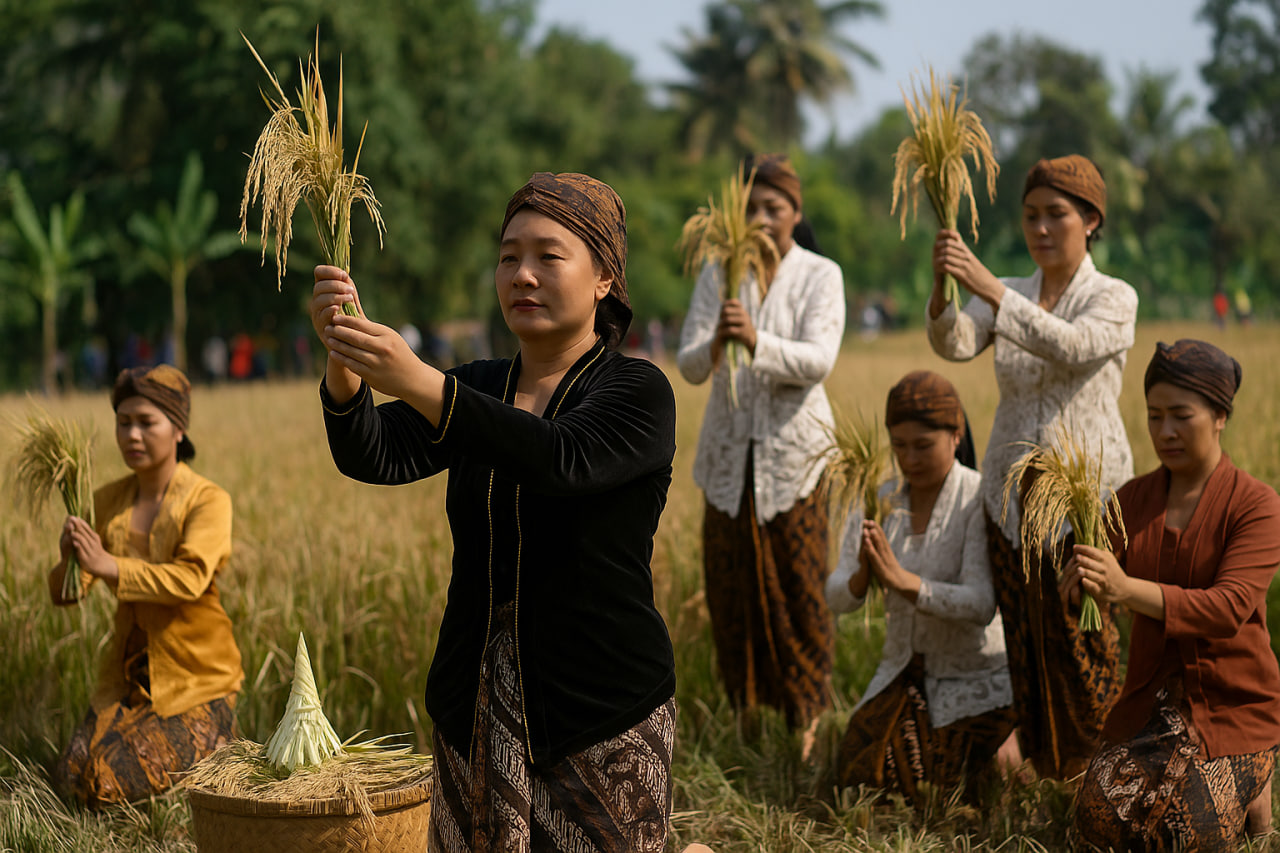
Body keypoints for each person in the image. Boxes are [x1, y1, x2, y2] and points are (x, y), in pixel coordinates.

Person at [311, 172, 678, 852]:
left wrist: (420, 379)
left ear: (604, 278)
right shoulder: (481, 385)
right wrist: (346, 359)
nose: (522, 274)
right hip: (473, 703)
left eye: (547, 255)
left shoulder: (638, 392)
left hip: (597, 710)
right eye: (509, 256)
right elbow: (375, 454)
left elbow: (557, 457)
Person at [925, 154, 1138, 778]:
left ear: (1091, 220)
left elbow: (1070, 347)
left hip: (1085, 500)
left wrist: (987, 284)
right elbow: (956, 344)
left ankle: (1099, 775)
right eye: (1030, 216)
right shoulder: (1012, 292)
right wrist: (943, 286)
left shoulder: (1113, 297)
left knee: (1083, 639)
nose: (1041, 229)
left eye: (1057, 215)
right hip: (1012, 494)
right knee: (1027, 639)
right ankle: (1047, 770)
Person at [1067, 340, 1280, 851]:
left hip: (1233, 709)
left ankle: (1258, 780)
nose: (1165, 432)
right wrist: (1080, 584)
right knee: (1099, 822)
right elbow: (1093, 593)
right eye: (1154, 416)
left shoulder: (1256, 506)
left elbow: (1228, 608)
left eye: (1181, 416)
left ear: (1220, 415)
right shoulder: (1130, 501)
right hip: (1151, 707)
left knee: (1182, 833)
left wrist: (1124, 587)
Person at [676, 153, 846, 749]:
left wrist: (757, 340)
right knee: (731, 589)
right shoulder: (719, 272)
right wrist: (721, 340)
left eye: (773, 207)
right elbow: (690, 364)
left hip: (794, 464)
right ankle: (745, 719)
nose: (759, 219)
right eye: (749, 208)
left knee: (799, 588)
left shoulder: (820, 275)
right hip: (727, 463)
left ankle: (806, 723)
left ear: (796, 213)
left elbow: (818, 360)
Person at [48, 365, 242, 807]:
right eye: (123, 422)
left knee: (105, 783)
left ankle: (218, 740)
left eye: (146, 423)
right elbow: (67, 593)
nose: (132, 435)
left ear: (178, 429)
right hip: (126, 681)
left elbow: (190, 579)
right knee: (71, 777)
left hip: (195, 678)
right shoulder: (107, 501)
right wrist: (70, 561)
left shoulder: (207, 500)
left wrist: (108, 564)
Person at [826, 371, 1017, 802]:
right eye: (898, 446)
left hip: (974, 675)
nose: (909, 459)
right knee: (862, 776)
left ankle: (1002, 752)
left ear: (956, 434)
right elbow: (835, 593)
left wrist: (904, 582)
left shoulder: (977, 498)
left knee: (940, 781)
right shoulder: (882, 498)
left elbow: (983, 603)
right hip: (903, 673)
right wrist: (861, 575)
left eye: (922, 446)